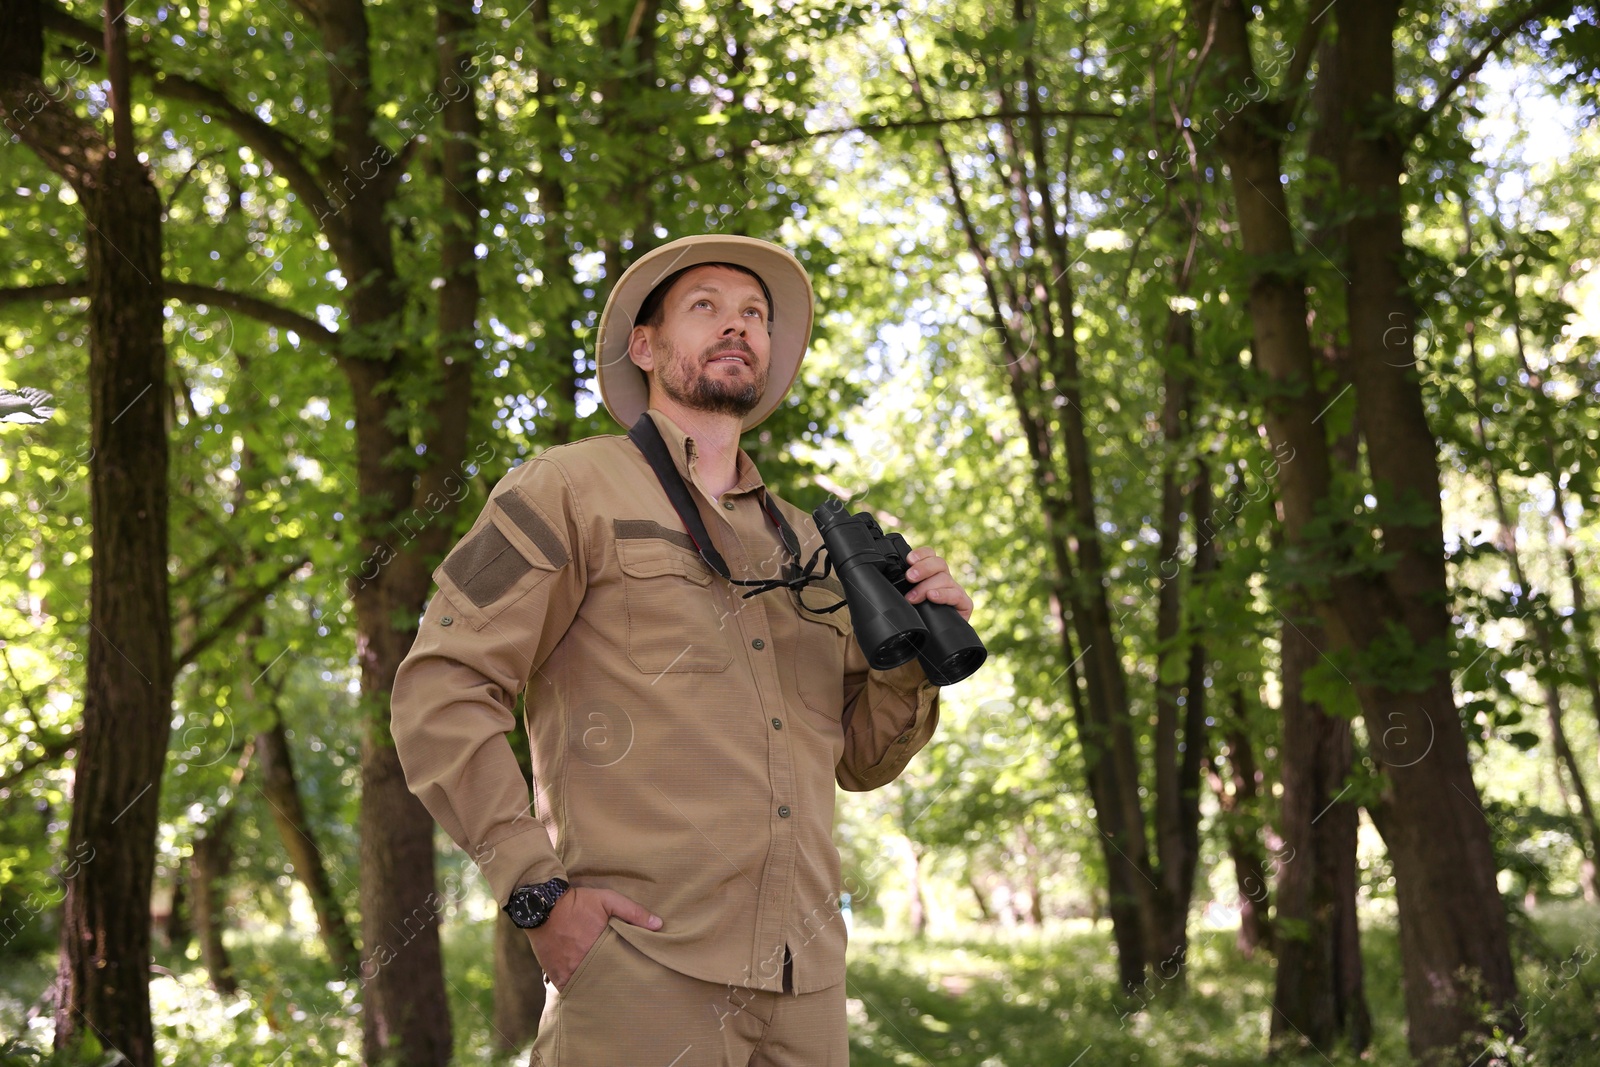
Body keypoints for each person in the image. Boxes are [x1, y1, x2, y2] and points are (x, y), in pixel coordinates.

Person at [390, 234, 973, 1066]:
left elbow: (863, 759)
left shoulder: (814, 544)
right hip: (643, 971)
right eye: (705, 306)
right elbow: (440, 686)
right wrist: (535, 890)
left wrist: (913, 650)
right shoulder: (559, 488)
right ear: (646, 344)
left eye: (754, 315)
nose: (736, 326)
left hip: (805, 981)